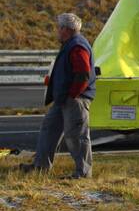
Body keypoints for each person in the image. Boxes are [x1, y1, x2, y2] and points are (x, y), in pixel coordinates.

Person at [21, 13, 95, 178]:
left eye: (59, 27)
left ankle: (83, 173)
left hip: (74, 99)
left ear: (65, 29)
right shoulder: (71, 44)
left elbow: (83, 73)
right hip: (64, 98)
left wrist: (73, 94)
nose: (57, 31)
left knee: (76, 136)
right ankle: (40, 166)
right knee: (49, 129)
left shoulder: (77, 46)